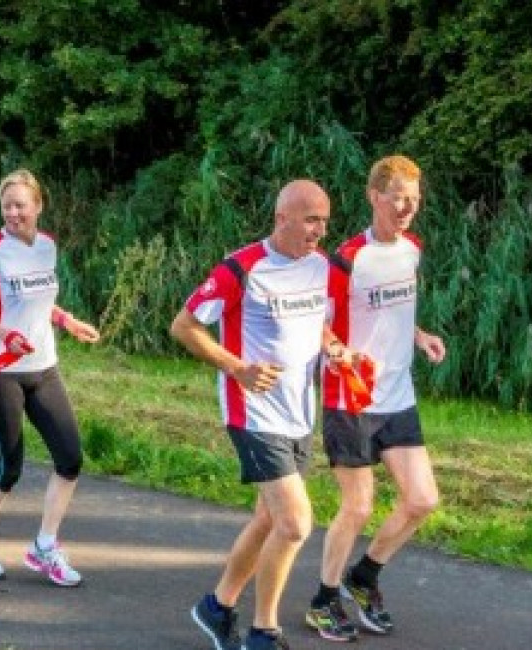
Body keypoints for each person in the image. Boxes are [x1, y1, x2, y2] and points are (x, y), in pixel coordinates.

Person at [172, 179, 336, 650]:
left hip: (300, 413)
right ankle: (264, 632)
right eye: (310, 220)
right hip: (254, 412)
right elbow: (184, 326)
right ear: (282, 218)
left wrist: (335, 348)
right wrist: (237, 368)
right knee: (295, 523)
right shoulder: (241, 268)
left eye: (324, 220)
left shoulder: (320, 266)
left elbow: (319, 325)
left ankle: (217, 607)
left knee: (268, 518)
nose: (319, 231)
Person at [306, 155, 445, 643]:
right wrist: (336, 349)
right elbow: (316, 321)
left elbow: (393, 312)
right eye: (398, 197)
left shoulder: (411, 249)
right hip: (350, 398)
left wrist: (419, 335)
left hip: (398, 395)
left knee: (422, 499)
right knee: (358, 506)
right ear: (374, 197)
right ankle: (323, 601)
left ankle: (363, 578)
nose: (407, 208)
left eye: (415, 199)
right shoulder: (346, 259)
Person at [0, 169, 101, 588]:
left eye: (21, 205)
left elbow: (40, 303)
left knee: (70, 458)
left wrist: (66, 320)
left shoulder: (47, 247)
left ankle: (45, 545)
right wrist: (7, 335)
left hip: (44, 366)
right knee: (9, 467)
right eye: (7, 207)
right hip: (0, 370)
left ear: (38, 206)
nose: (14, 213)